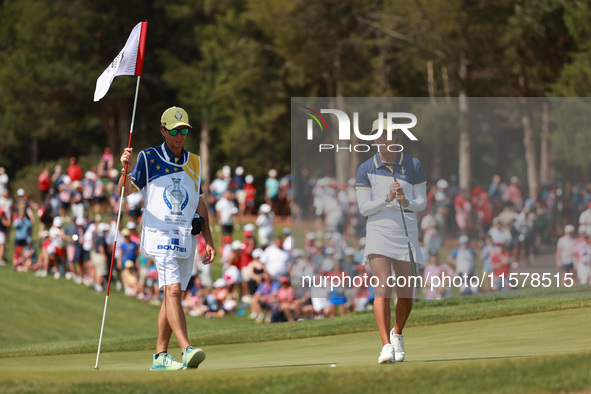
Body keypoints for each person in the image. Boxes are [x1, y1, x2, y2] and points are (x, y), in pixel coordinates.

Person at [119, 106, 216, 371]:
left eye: (184, 130)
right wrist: (124, 169)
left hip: (185, 238)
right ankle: (186, 349)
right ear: (163, 131)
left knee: (174, 294)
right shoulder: (149, 157)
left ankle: (160, 356)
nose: (179, 136)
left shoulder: (194, 161)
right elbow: (124, 192)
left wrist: (208, 239)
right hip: (158, 234)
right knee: (172, 290)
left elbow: (199, 203)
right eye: (174, 131)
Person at [356, 118, 427, 364]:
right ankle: (386, 346)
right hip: (378, 230)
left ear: (395, 136)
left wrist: (405, 201)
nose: (381, 138)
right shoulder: (366, 168)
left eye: (385, 134)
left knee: (406, 295)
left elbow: (422, 202)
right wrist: (387, 198)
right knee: (383, 287)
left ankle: (397, 334)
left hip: (406, 230)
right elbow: (364, 208)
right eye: (376, 134)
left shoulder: (413, 164)